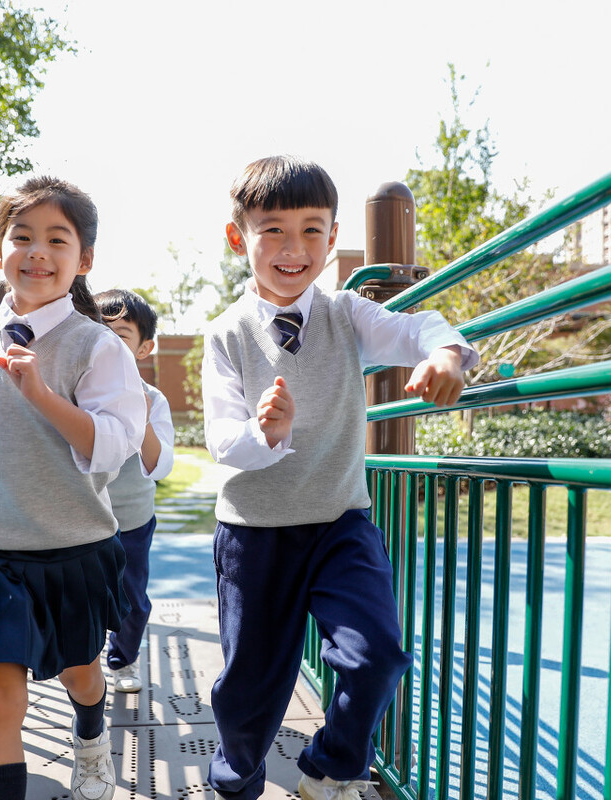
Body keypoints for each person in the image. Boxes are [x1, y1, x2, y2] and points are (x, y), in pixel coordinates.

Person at [202, 156, 479, 800]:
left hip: (338, 522)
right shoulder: (225, 334)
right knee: (249, 691)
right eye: (272, 230)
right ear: (239, 238)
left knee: (377, 654)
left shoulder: (348, 313)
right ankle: (234, 779)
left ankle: (330, 765)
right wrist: (267, 432)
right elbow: (222, 438)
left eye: (311, 230)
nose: (293, 249)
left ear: (331, 238)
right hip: (255, 533)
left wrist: (446, 353)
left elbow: (418, 329)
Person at [0, 176, 146, 800]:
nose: (37, 252)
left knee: (82, 675)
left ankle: (90, 735)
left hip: (73, 549)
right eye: (21, 237)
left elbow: (113, 444)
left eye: (58, 239)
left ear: (84, 261)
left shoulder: (97, 346)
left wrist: (43, 395)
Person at [94, 288, 176, 693]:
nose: (108, 343)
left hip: (132, 520)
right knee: (85, 593)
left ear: (145, 349)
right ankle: (85, 662)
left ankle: (122, 659)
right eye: (99, 332)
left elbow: (158, 465)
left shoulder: (154, 400)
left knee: (131, 598)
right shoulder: (79, 391)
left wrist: (140, 416)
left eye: (121, 336)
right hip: (83, 518)